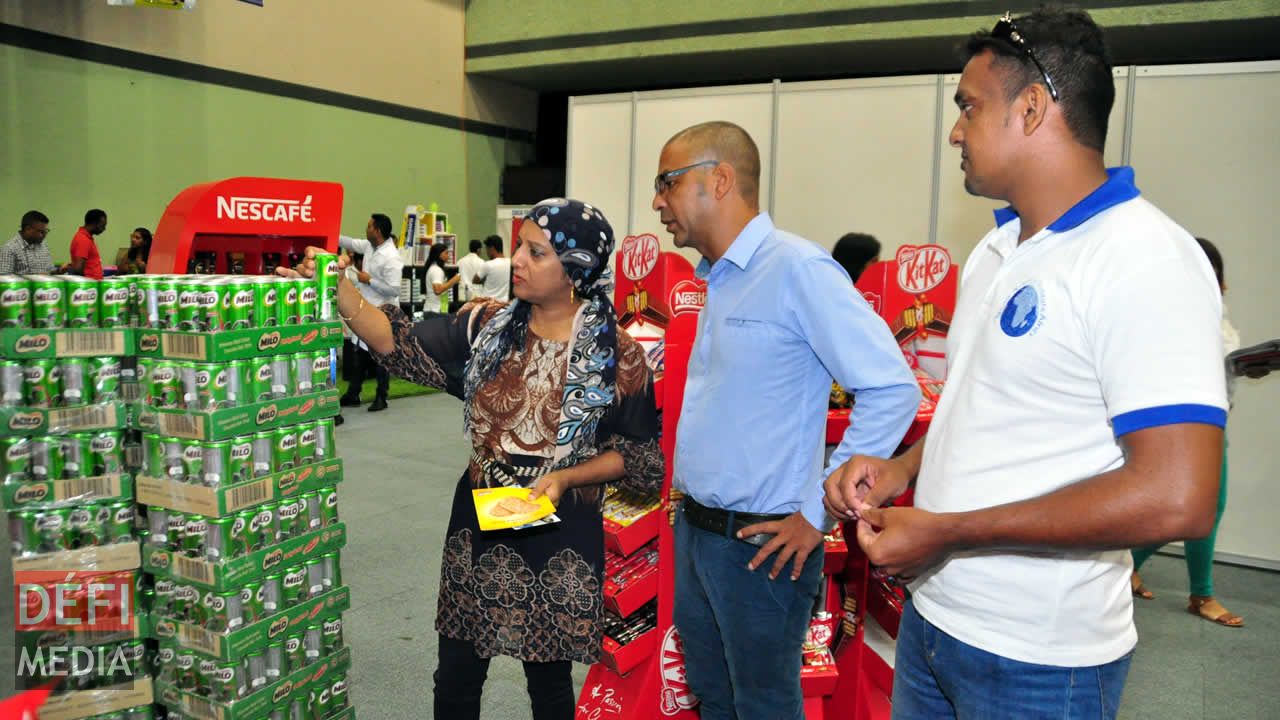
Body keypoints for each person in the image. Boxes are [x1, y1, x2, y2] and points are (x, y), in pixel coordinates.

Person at [823, 9, 1228, 718]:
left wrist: (949, 530)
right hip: (936, 619)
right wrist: (903, 469)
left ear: (1033, 107)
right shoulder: (998, 249)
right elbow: (980, 406)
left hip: (1040, 660)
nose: (955, 130)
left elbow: (1178, 496)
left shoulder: (1142, 258)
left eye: (969, 107)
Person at [279, 198, 663, 720]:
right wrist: (337, 286)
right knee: (456, 677)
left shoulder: (616, 355)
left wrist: (566, 476)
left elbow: (639, 459)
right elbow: (395, 340)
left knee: (549, 686)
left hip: (559, 537)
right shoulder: (488, 328)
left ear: (575, 269)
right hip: (477, 529)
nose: (517, 261)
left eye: (536, 251)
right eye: (520, 247)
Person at [652, 121, 919, 719]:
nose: (657, 202)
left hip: (763, 543)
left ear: (719, 179)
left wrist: (817, 513)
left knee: (765, 707)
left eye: (667, 183)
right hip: (697, 533)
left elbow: (891, 388)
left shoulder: (797, 269)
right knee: (715, 700)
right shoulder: (717, 279)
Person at [1130, 237, 1243, 627]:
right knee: (1197, 510)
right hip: (1178, 427)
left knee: (1203, 510)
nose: (1218, 285)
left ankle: (1129, 565)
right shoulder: (1170, 313)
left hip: (1213, 424)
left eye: (1218, 277)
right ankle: (1202, 595)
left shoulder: (1218, 314)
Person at [337, 214, 403, 412]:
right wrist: (328, 232)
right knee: (361, 352)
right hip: (366, 308)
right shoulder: (368, 246)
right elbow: (348, 241)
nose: (366, 229)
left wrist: (369, 280)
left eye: (369, 226)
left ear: (378, 231)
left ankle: (382, 396)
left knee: (380, 355)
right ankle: (353, 393)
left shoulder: (392, 257)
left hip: (383, 311)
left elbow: (394, 289)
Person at [0, 211, 55, 275]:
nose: (44, 235)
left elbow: (50, 271)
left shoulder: (43, 245)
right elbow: (4, 279)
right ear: (27, 229)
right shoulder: (9, 249)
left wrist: (59, 271)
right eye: (40, 232)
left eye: (46, 231)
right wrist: (34, 278)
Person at [421, 243, 461, 313]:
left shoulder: (435, 268)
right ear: (439, 254)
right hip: (434, 311)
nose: (448, 256)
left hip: (435, 309)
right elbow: (438, 290)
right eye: (446, 253)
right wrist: (453, 280)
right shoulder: (436, 270)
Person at [67, 209, 106, 279]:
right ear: (94, 223)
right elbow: (78, 269)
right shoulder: (83, 239)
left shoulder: (87, 238)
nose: (104, 228)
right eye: (103, 225)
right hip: (89, 286)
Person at [473, 235, 511, 301]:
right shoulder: (511, 263)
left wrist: (484, 280)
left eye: (487, 249)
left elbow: (475, 280)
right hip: (504, 304)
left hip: (487, 304)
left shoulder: (488, 264)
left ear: (492, 248)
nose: (487, 253)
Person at [456, 238, 487, 304]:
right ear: (478, 250)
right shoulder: (482, 262)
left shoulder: (460, 261)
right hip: (477, 296)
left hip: (462, 296)